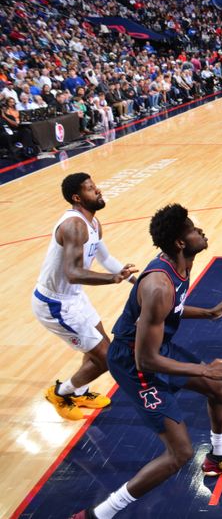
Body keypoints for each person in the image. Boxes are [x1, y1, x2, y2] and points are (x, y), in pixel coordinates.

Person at [70, 204, 222, 519]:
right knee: (180, 453)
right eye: (193, 229)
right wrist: (203, 368)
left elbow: (175, 308)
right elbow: (146, 360)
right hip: (135, 363)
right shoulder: (158, 285)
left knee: (220, 386)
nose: (201, 231)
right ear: (180, 242)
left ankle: (218, 458)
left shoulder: (181, 265)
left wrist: (210, 312)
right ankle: (98, 514)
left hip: (154, 351)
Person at [32, 173, 138, 421]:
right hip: (55, 303)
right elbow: (72, 273)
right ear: (77, 198)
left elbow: (107, 260)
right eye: (91, 189)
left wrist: (136, 281)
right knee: (107, 358)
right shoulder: (74, 226)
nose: (98, 190)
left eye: (95, 186)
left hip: (74, 298)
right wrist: (112, 280)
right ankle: (61, 393)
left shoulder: (93, 223)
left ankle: (77, 390)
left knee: (98, 351)